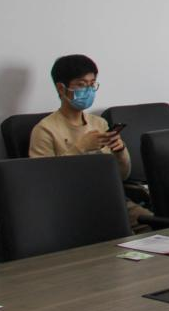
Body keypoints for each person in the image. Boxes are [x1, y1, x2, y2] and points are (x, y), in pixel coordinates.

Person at [29, 53, 152, 229]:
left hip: (107, 196)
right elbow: (44, 182)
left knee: (152, 223)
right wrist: (81, 147)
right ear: (61, 88)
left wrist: (120, 152)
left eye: (92, 84)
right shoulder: (44, 130)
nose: (88, 90)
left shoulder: (99, 123)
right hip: (68, 204)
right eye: (81, 85)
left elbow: (122, 176)